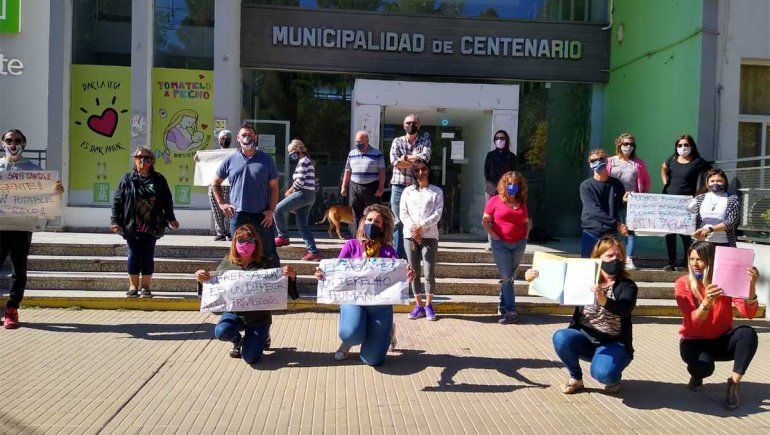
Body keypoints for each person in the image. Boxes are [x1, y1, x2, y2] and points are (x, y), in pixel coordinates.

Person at [525, 236, 639, 395]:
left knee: (603, 374)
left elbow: (625, 308)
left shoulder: (627, 285)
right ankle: (576, 378)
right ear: (598, 258)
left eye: (619, 256)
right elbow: (555, 283)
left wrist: (604, 300)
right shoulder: (584, 278)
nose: (615, 259)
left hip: (613, 342)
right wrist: (534, 278)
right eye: (610, 255)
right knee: (561, 337)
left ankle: (612, 378)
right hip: (585, 337)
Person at [314, 204, 414, 366]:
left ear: (383, 228)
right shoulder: (351, 246)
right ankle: (350, 337)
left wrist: (408, 274)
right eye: (369, 220)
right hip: (354, 302)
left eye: (377, 222)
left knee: (372, 360)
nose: (372, 224)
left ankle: (387, 330)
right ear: (362, 222)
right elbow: (337, 271)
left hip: (379, 308)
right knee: (351, 334)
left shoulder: (388, 251)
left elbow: (399, 274)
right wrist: (322, 274)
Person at [196, 223, 299, 364]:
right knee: (221, 331)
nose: (246, 244)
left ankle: (264, 335)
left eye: (250, 241)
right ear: (234, 242)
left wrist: (291, 277)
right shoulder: (227, 263)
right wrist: (202, 280)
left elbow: (282, 288)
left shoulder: (265, 263)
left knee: (250, 358)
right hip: (234, 314)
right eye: (241, 240)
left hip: (258, 318)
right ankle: (237, 341)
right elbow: (214, 290)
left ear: (256, 243)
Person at [674, 241, 759, 410]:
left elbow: (748, 314)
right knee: (704, 367)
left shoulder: (724, 282)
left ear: (712, 261)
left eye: (700, 259)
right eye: (691, 259)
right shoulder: (683, 283)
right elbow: (694, 322)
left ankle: (734, 384)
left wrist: (751, 285)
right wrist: (706, 303)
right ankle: (697, 376)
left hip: (721, 340)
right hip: (694, 342)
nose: (694, 264)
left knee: (747, 333)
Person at [0, 129, 64, 329]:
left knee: (19, 270)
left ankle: (12, 310)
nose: (13, 144)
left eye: (17, 140)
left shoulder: (34, 170)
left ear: (24, 144)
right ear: (2, 143)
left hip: (22, 227)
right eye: (9, 140)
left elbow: (46, 199)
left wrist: (55, 192)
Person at [111, 146, 179, 298]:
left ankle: (146, 288)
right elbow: (117, 201)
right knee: (133, 255)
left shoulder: (159, 179)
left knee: (148, 256)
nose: (143, 160)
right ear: (135, 160)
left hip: (152, 224)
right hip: (132, 224)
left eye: (147, 158)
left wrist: (171, 218)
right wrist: (115, 221)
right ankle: (133, 287)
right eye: (139, 157)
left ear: (151, 161)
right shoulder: (127, 179)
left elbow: (167, 200)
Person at [212, 124, 280, 268]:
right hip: (238, 215)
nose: (247, 138)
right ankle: (237, 286)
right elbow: (215, 183)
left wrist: (271, 211)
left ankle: (277, 287)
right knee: (238, 253)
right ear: (238, 138)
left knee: (269, 253)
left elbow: (274, 188)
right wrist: (222, 203)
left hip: (262, 216)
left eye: (250, 135)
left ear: (255, 137)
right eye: (243, 135)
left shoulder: (267, 160)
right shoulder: (230, 160)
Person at [482, 171, 532, 324]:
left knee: (509, 276)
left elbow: (526, 221)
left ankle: (502, 305)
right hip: (500, 244)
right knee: (506, 276)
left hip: (519, 244)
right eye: (509, 183)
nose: (512, 186)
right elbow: (485, 221)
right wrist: (494, 236)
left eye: (515, 183)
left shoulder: (521, 202)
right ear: (504, 184)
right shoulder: (495, 201)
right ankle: (511, 311)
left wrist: (526, 235)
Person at [400, 159, 443, 321]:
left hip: (430, 235)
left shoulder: (436, 191)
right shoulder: (407, 191)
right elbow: (403, 212)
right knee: (414, 271)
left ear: (428, 170)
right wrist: (413, 228)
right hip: (409, 235)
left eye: (423, 169)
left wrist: (421, 227)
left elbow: (437, 214)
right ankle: (418, 305)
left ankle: (429, 304)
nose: (420, 173)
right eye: (417, 170)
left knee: (429, 271)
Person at [661, 135, 712, 271]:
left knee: (685, 233)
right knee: (669, 232)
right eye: (680, 145)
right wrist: (665, 183)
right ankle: (671, 261)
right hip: (669, 200)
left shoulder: (697, 161)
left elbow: (711, 174)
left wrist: (700, 191)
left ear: (691, 146)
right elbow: (663, 167)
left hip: (687, 202)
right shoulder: (672, 159)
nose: (683, 148)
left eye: (686, 145)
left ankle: (686, 260)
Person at [606, 133, 651, 270]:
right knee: (612, 229)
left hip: (631, 203)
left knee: (630, 231)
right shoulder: (611, 161)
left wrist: (641, 196)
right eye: (626, 144)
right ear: (619, 145)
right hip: (612, 201)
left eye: (631, 144)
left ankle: (628, 258)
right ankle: (612, 257)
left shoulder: (637, 163)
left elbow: (646, 182)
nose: (629, 147)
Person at [390, 114, 431, 259]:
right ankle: (399, 256)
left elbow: (424, 159)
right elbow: (395, 162)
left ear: (418, 125)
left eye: (414, 123)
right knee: (398, 222)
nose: (411, 125)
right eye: (408, 122)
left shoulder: (425, 141)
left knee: (416, 221)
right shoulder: (397, 141)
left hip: (417, 188)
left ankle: (413, 256)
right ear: (403, 125)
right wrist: (415, 159)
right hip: (399, 186)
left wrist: (405, 158)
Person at [274, 139, 321, 261]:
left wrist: (289, 191)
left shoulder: (304, 162)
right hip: (310, 196)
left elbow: (299, 181)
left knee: (277, 210)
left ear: (298, 150)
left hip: (302, 193)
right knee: (302, 226)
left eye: (291, 152)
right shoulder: (307, 161)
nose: (290, 155)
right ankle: (313, 252)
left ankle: (283, 236)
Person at [579, 149, 626, 258]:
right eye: (593, 160)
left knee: (610, 266)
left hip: (611, 234)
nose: (597, 162)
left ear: (607, 161)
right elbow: (594, 211)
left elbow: (618, 207)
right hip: (592, 232)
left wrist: (624, 200)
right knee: (587, 265)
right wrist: (618, 225)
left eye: (601, 159)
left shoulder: (617, 184)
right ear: (589, 164)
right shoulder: (586, 186)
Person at [341, 130, 386, 225]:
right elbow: (347, 171)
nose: (358, 144)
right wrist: (344, 187)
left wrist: (381, 188)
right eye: (357, 141)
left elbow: (382, 171)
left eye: (360, 142)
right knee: (357, 213)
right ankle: (359, 237)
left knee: (373, 213)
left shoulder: (377, 153)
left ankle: (372, 236)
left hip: (371, 187)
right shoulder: (352, 154)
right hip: (355, 186)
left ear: (367, 140)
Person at [687, 168, 740, 247]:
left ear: (724, 182)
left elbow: (731, 222)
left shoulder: (732, 198)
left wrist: (709, 229)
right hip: (701, 242)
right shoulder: (699, 198)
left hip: (723, 242)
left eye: (719, 181)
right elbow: (687, 215)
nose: (715, 183)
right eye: (712, 181)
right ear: (707, 183)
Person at [483, 130, 518, 249]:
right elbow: (486, 173)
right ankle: (491, 242)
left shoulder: (511, 156)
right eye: (497, 138)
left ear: (506, 140)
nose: (499, 140)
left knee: (504, 215)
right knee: (489, 217)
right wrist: (492, 185)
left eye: (502, 138)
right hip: (491, 190)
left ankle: (503, 240)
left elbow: (514, 174)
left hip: (507, 192)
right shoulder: (490, 155)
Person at [199, 129, 232, 241]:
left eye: (227, 138)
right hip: (213, 185)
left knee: (228, 207)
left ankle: (229, 231)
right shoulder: (213, 155)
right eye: (222, 138)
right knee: (216, 208)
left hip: (228, 185)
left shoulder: (234, 154)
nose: (225, 140)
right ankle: (220, 232)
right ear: (218, 140)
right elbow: (203, 162)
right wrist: (199, 159)